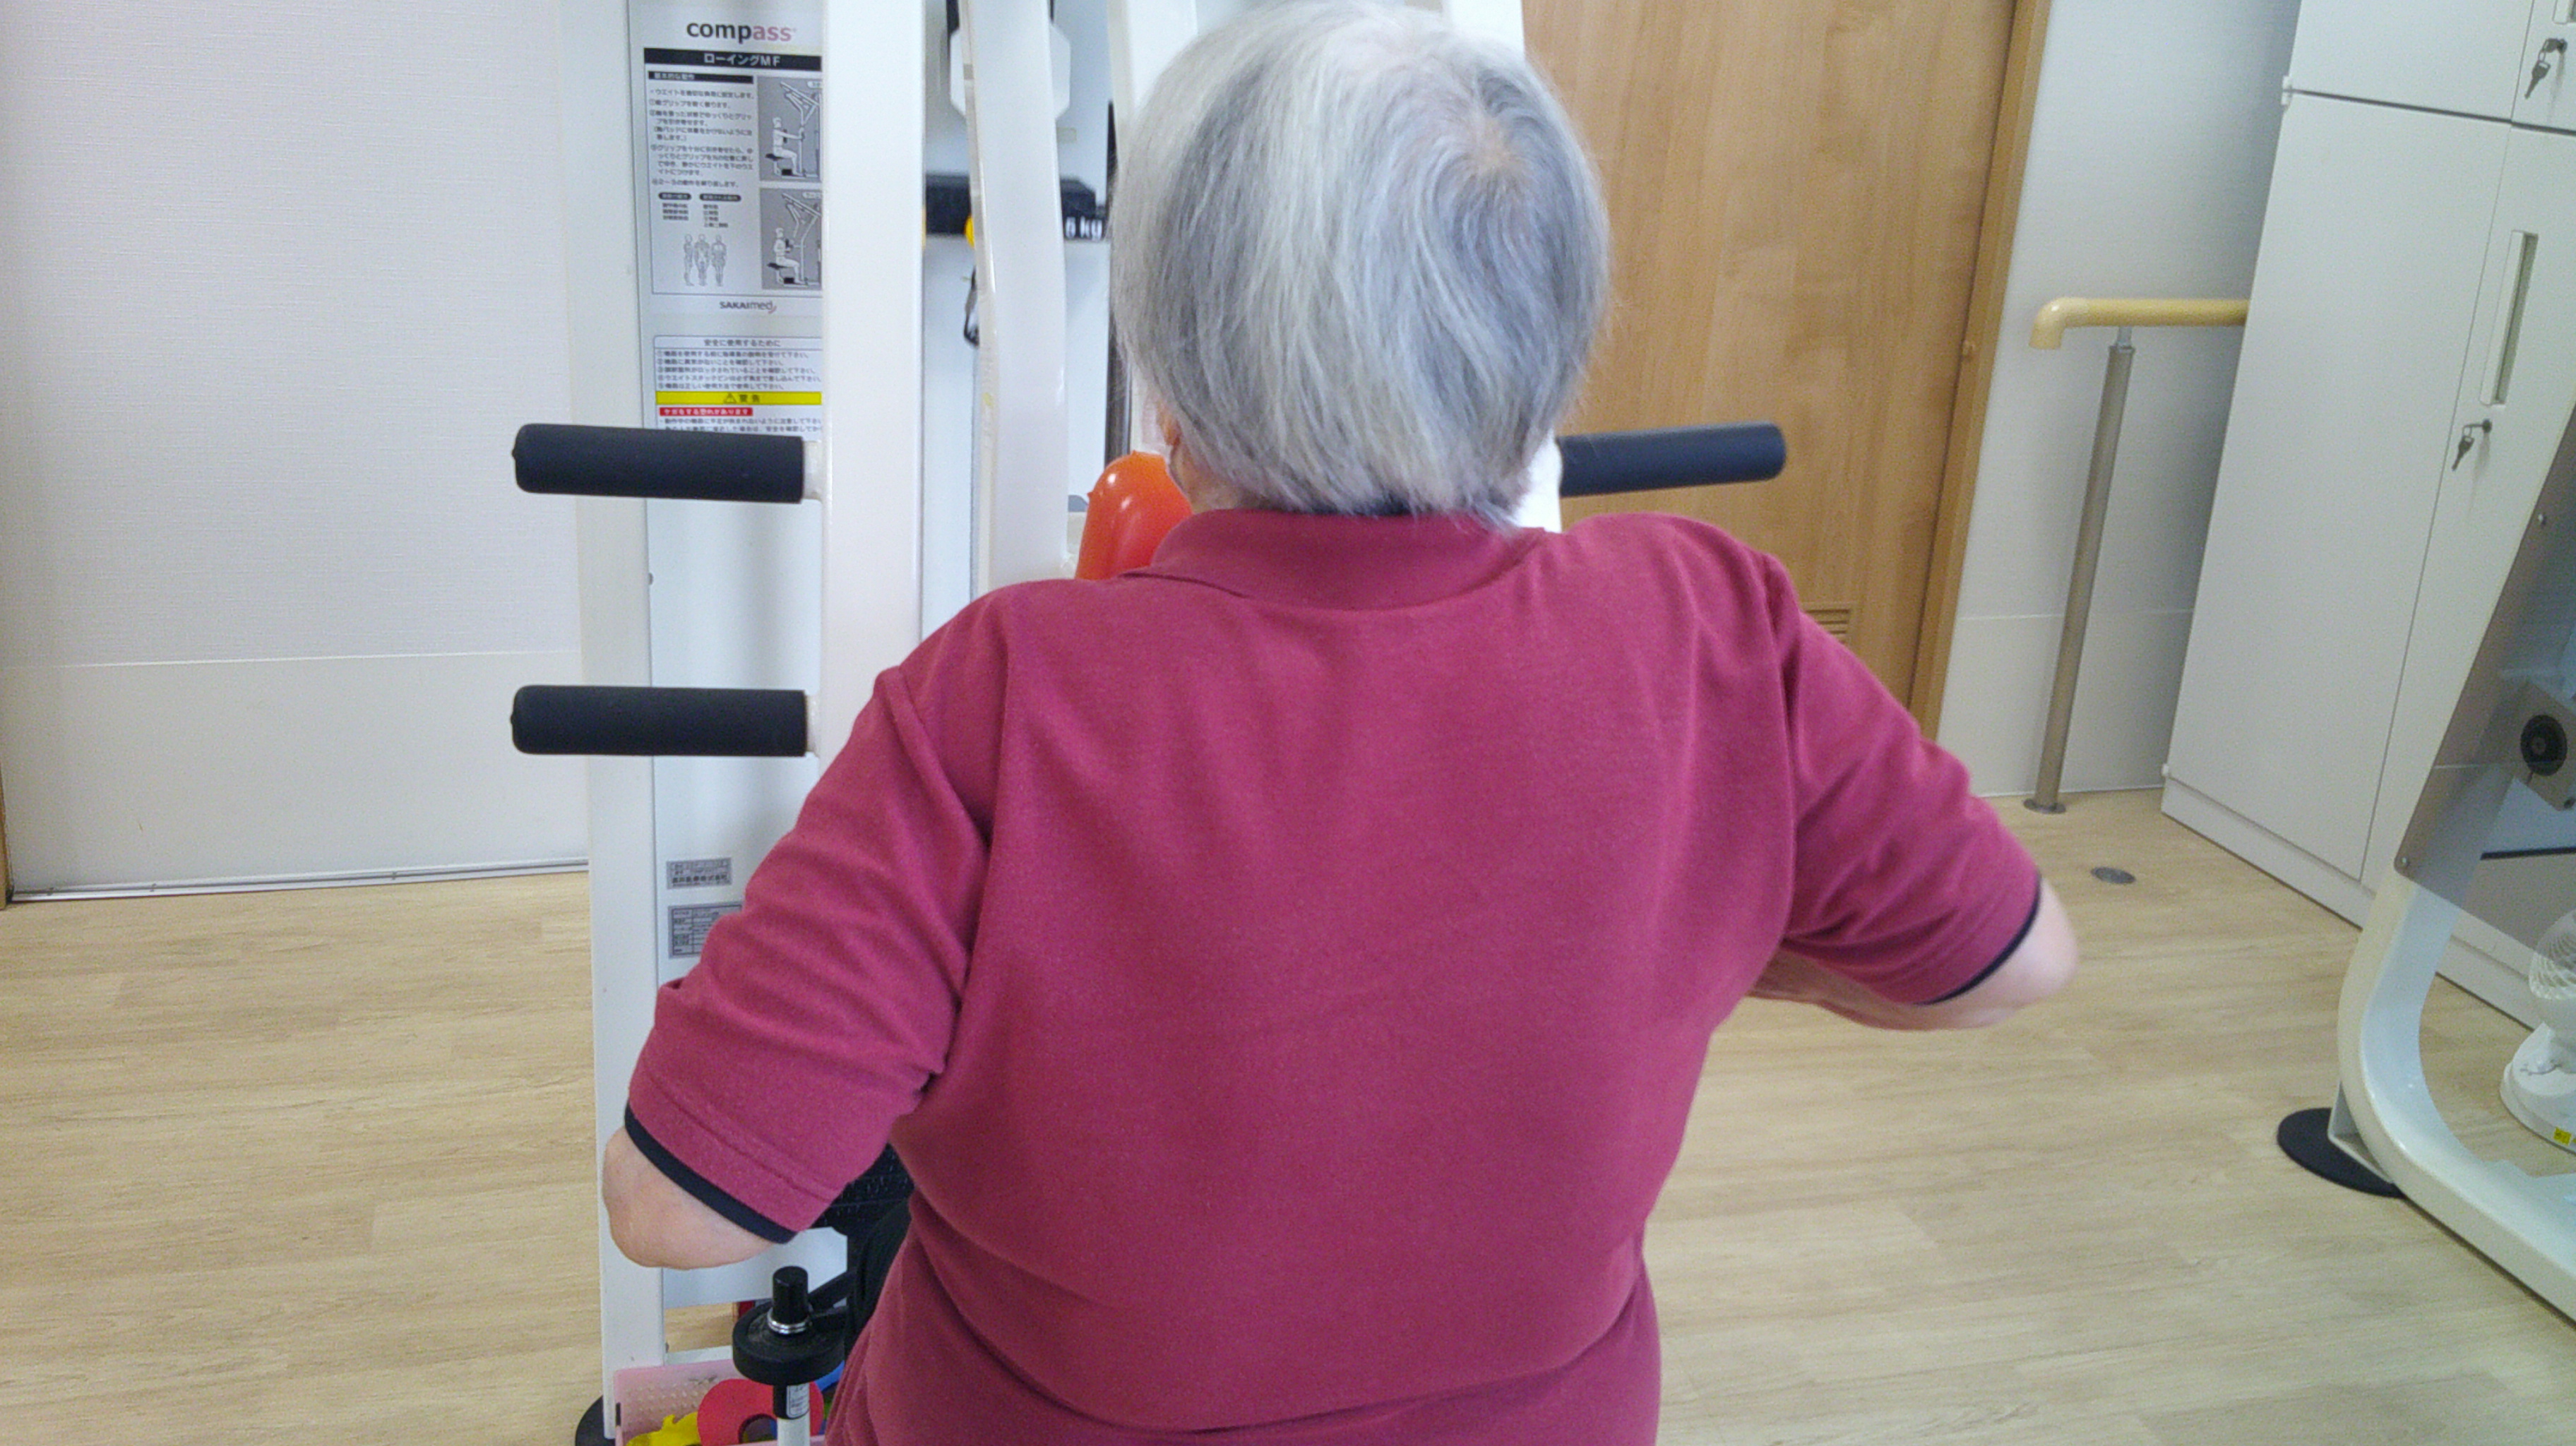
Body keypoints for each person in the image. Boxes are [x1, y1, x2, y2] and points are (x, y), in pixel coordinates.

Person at [600, 3, 2077, 1442]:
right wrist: (1704, 948)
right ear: (1552, 349)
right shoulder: (1711, 622)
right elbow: (2012, 967)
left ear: (1171, 390)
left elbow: (675, 1209)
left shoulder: (998, 694)